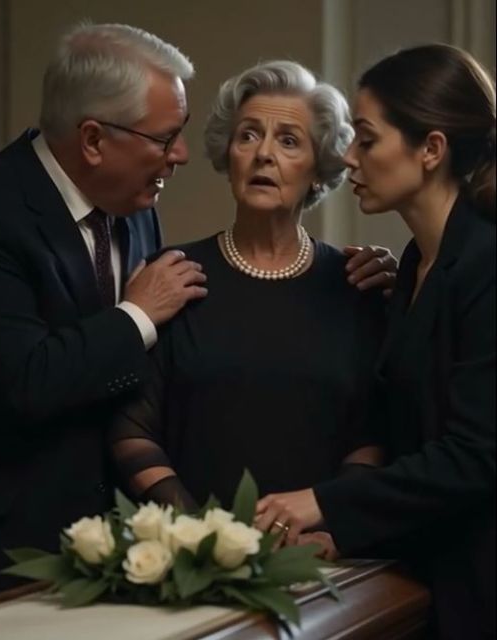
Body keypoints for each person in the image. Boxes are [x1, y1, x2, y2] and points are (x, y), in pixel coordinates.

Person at [255, 44, 496, 640]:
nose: (348, 156)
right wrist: (344, 533)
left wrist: (323, 503)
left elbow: (476, 455)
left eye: (366, 139)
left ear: (431, 149)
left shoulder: (487, 262)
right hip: (437, 575)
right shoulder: (414, 262)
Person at [108, 60, 395, 515]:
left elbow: (372, 437)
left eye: (288, 141)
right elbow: (131, 432)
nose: (263, 154)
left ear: (319, 168)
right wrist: (198, 533)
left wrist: (326, 522)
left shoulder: (355, 283)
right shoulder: (171, 275)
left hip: (321, 546)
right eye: (248, 135)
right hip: (186, 544)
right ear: (229, 155)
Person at [0, 22, 208, 594]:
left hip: (120, 545)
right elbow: (25, 380)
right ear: (92, 140)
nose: (181, 155)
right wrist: (137, 315)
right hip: (11, 551)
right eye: (165, 138)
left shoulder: (134, 203)